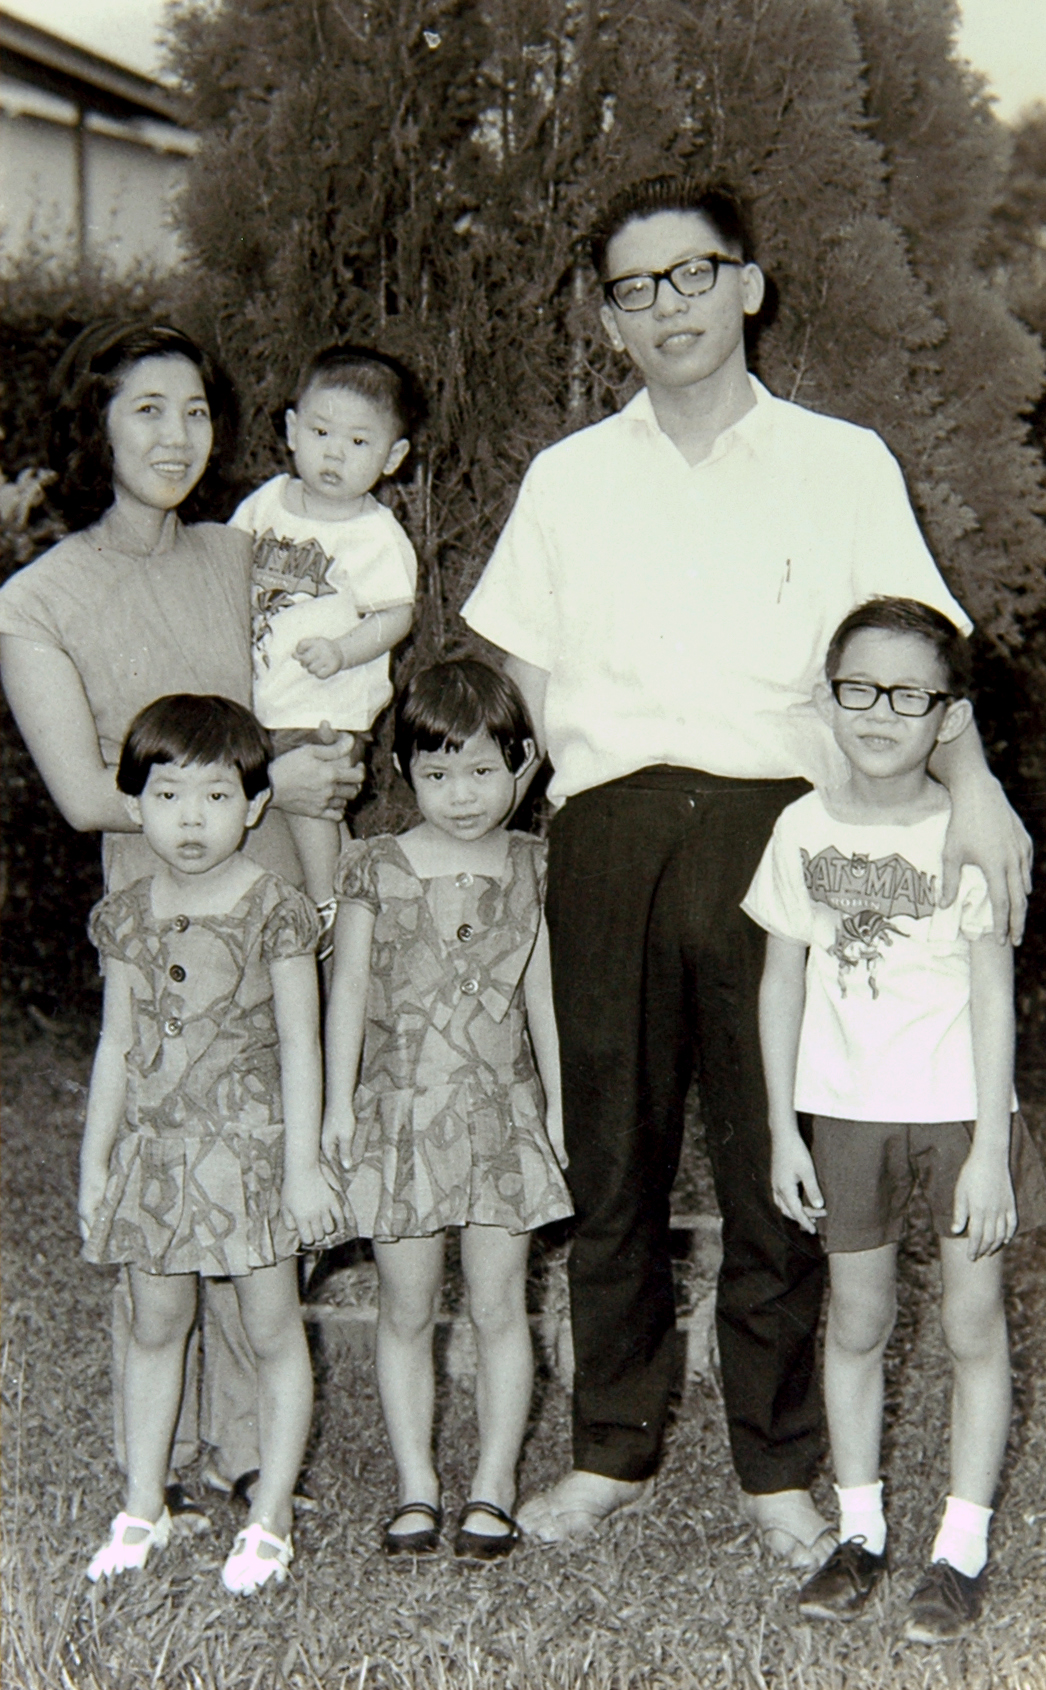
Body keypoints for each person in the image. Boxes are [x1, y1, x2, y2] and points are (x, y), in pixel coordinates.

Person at [461, 175, 1032, 1559]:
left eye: (692, 274)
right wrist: (581, 791)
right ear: (608, 320)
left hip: (780, 830)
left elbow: (917, 653)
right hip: (610, 834)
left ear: (747, 286)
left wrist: (976, 791)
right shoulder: (568, 477)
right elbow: (521, 658)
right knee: (613, 1149)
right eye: (633, 288)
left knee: (777, 1146)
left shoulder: (840, 463)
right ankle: (609, 1447)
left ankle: (777, 1468)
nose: (667, 307)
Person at [0, 321, 363, 1508]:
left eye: (196, 410)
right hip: (159, 915)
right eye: (147, 409)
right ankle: (150, 1464)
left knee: (262, 1155)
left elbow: (323, 664)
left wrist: (317, 763)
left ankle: (250, 1450)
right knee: (164, 1161)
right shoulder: (37, 600)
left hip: (273, 890)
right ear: (93, 425)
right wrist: (262, 783)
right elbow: (80, 793)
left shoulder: (241, 553)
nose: (176, 435)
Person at [742, 599, 1046, 1641]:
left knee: (971, 1324)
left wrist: (990, 1150)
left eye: (908, 695)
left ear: (947, 717)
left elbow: (992, 994)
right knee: (857, 1321)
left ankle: (958, 1550)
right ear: (826, 700)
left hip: (957, 1114)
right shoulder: (800, 827)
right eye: (858, 688)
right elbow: (781, 981)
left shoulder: (970, 829)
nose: (878, 712)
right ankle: (861, 1533)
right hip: (847, 1116)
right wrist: (782, 1128)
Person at [80, 694, 343, 1591]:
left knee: (270, 1329)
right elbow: (117, 1043)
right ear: (135, 805)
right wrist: (97, 1161)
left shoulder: (276, 909)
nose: (191, 819)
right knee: (156, 1325)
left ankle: (271, 1518)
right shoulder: (127, 914)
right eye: (167, 795)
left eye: (217, 796)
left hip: (250, 1157)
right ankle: (142, 1505)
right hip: (157, 1156)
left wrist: (302, 1169)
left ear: (257, 805)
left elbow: (303, 1044)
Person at [322, 660, 572, 1559]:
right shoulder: (374, 866)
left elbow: (542, 997)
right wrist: (338, 1108)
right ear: (404, 773)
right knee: (405, 1305)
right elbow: (349, 994)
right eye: (437, 774)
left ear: (523, 763)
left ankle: (493, 1484)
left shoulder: (534, 866)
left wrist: (558, 1107)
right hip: (400, 1114)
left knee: (501, 1304)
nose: (461, 795)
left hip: (501, 1113)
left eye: (481, 771)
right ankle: (417, 1485)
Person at [230, 344, 419, 926]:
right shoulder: (267, 501)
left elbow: (395, 617)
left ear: (393, 457)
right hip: (265, 699)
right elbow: (226, 564)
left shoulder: (374, 535)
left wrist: (342, 651)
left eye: (359, 442)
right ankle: (343, 898)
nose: (335, 452)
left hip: (327, 707)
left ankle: (327, 905)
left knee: (313, 806)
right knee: (302, 814)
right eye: (320, 432)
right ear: (292, 430)